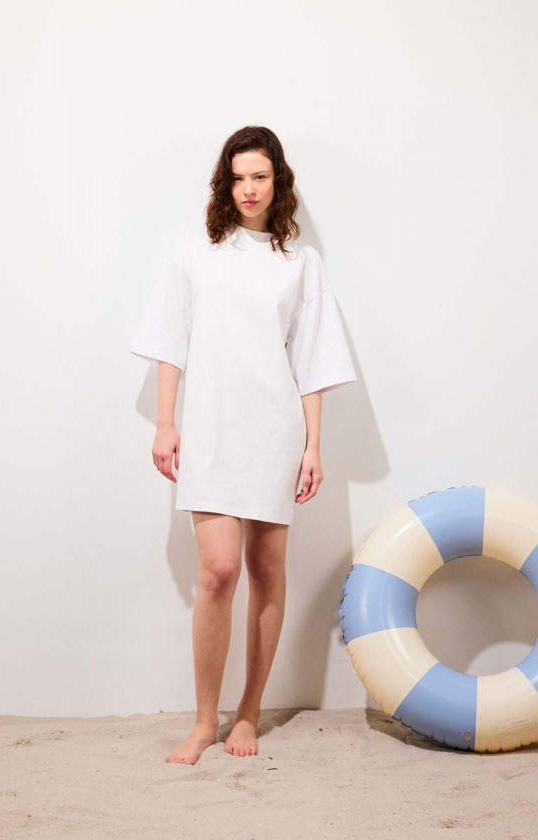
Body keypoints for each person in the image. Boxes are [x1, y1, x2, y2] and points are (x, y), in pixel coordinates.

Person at [130, 126, 357, 765]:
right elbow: (170, 342)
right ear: (224, 184)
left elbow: (312, 362)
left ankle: (249, 712)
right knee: (219, 571)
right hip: (210, 427)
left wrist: (313, 446)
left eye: (260, 176)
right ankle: (205, 719)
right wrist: (165, 423)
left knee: (265, 570)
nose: (249, 189)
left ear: (277, 181)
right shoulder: (196, 251)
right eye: (238, 178)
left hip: (274, 431)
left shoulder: (300, 263)